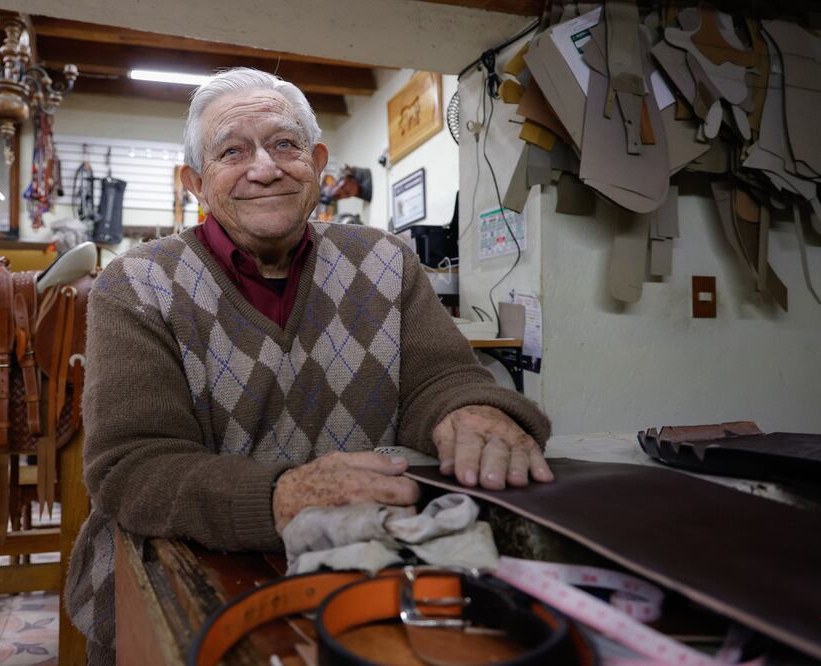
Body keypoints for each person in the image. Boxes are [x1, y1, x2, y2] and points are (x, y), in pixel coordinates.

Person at [65, 67, 553, 663]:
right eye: (232, 151)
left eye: (284, 144)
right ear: (196, 181)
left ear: (318, 161)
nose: (264, 167)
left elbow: (440, 379)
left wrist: (471, 411)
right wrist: (281, 495)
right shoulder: (137, 285)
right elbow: (132, 470)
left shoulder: (384, 260)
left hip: (361, 564)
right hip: (188, 572)